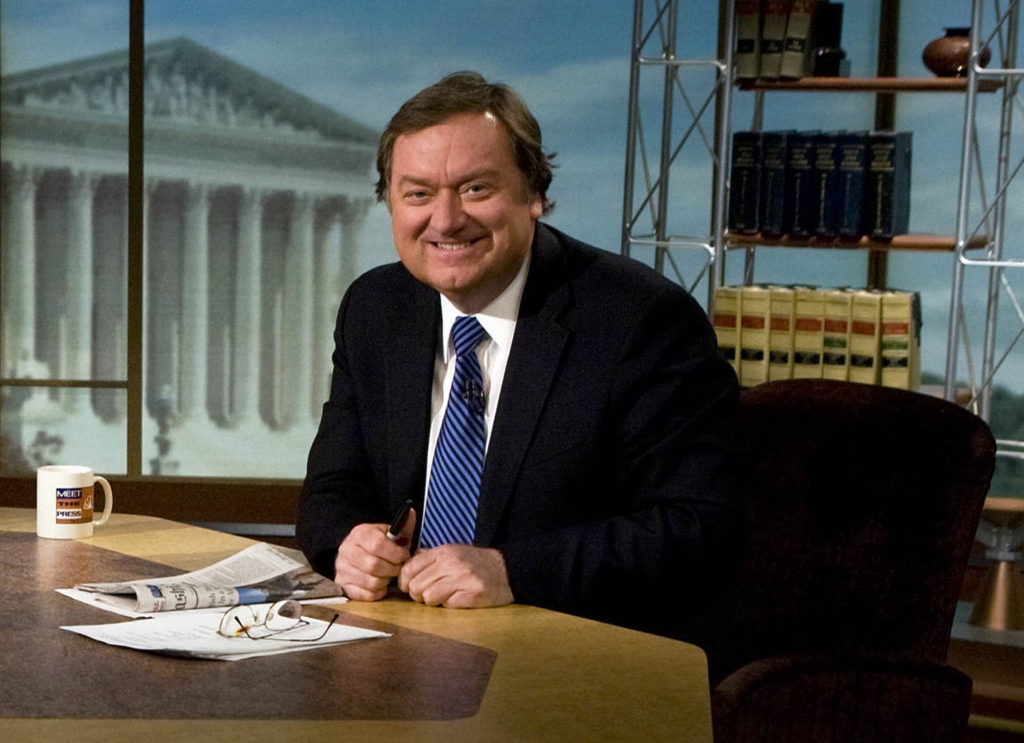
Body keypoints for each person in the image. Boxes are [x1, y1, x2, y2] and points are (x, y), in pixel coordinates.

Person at [297, 71, 742, 659]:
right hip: (403, 644)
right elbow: (331, 490)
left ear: (533, 193)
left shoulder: (641, 321)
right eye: (418, 193)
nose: (446, 218)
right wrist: (347, 543)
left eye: (476, 189)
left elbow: (699, 530)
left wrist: (513, 570)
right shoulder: (377, 307)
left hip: (576, 653)